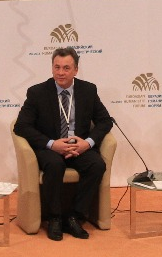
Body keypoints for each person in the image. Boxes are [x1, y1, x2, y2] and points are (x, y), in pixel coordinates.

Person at [15, 47, 113, 241]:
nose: (60, 72)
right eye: (57, 67)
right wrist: (52, 144)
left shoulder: (88, 90)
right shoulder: (37, 92)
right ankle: (54, 218)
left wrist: (87, 143)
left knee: (97, 165)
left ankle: (75, 216)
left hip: (78, 146)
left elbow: (105, 121)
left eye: (66, 68)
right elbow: (21, 126)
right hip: (50, 147)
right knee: (55, 164)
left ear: (76, 70)